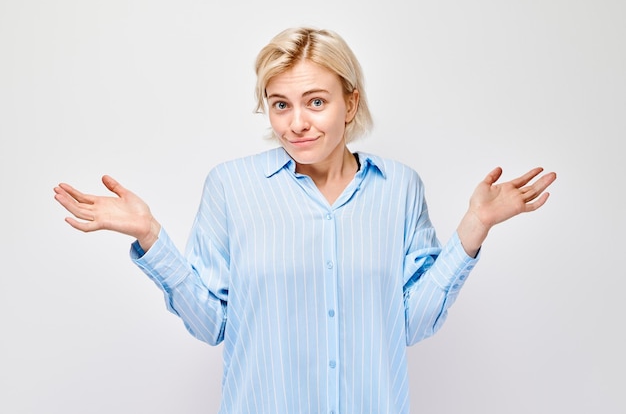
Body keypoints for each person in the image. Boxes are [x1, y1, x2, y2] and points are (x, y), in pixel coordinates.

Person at [53, 27, 556, 414]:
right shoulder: (233, 188)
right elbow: (212, 325)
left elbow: (409, 323)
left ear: (350, 102)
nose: (296, 123)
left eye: (316, 101)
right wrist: (149, 235)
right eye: (280, 105)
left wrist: (474, 227)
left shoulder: (399, 187)